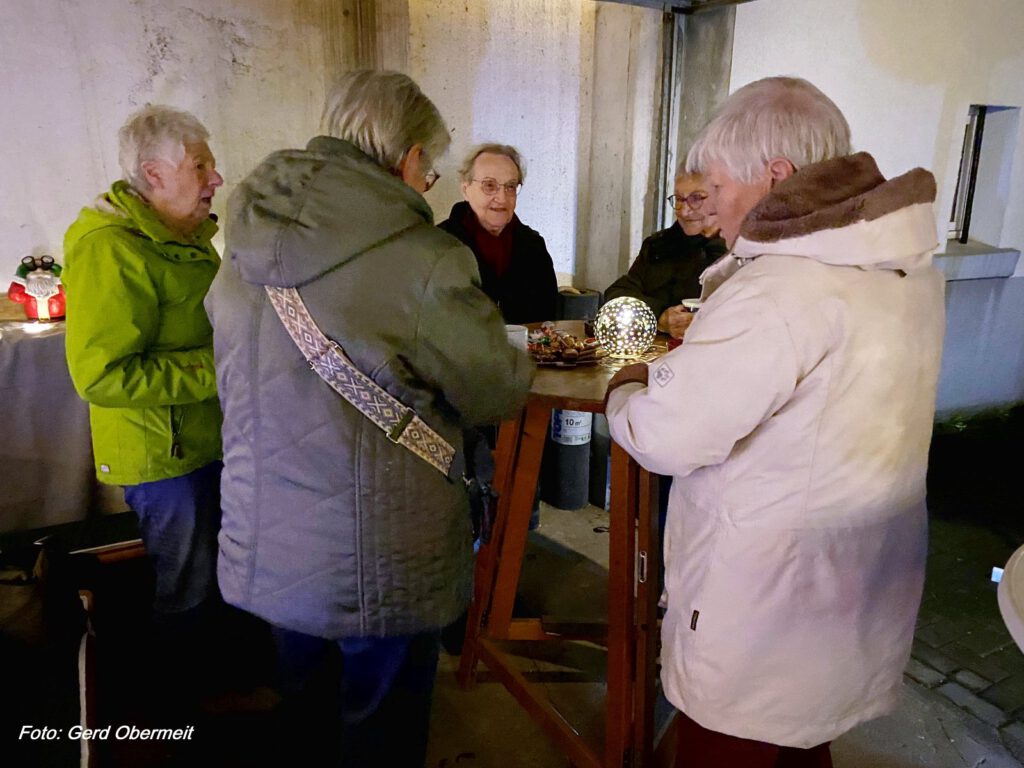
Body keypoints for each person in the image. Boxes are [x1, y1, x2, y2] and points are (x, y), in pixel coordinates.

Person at [605, 76, 945, 767]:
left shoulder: (784, 287)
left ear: (776, 176)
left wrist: (627, 389)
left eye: (721, 192)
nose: (718, 216)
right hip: (851, 588)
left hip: (766, 601)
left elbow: (669, 434)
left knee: (729, 745)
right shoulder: (899, 268)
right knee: (800, 740)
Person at [207, 70, 533, 765]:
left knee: (304, 718)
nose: (426, 186)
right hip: (378, 557)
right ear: (410, 158)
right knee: (379, 732)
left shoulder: (243, 243)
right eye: (434, 172)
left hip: (270, 541)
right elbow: (496, 390)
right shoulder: (427, 260)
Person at [63, 105, 226, 704]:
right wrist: (219, 369)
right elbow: (102, 375)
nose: (216, 178)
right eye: (201, 165)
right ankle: (179, 712)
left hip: (204, 439)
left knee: (212, 575)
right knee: (185, 584)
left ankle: (213, 684)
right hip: (164, 456)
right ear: (154, 175)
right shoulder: (111, 249)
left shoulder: (183, 236)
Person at [437, 143, 558, 324]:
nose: (502, 198)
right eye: (489, 185)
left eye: (510, 187)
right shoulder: (440, 244)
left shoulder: (533, 246)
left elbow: (548, 318)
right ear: (465, 189)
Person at [604, 166, 727, 339]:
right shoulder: (659, 245)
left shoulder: (739, 251)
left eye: (696, 198)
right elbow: (617, 294)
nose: (684, 211)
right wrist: (659, 316)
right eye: (679, 199)